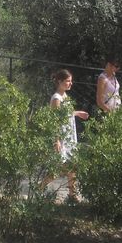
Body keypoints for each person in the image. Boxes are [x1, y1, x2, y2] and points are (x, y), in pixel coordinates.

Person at [49, 69, 89, 203]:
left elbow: (66, 113)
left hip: (69, 137)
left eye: (71, 81)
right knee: (59, 168)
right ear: (60, 81)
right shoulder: (56, 98)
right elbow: (55, 120)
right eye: (68, 81)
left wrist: (77, 113)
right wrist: (57, 140)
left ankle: (72, 195)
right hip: (62, 138)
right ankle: (38, 188)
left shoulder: (65, 96)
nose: (70, 83)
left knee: (72, 165)